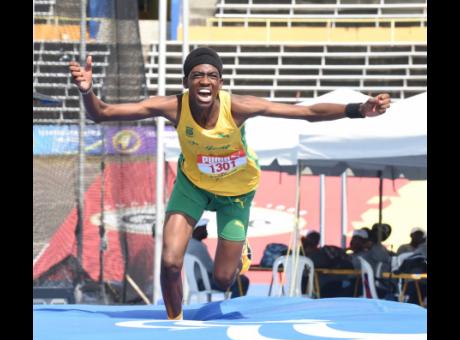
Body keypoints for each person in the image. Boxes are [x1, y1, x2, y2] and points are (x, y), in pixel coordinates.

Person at [69, 47, 390, 320]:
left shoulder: (237, 106)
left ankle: (241, 251)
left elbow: (305, 111)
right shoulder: (174, 106)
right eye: (197, 75)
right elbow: (103, 113)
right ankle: (175, 323)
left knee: (223, 280)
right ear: (186, 82)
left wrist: (358, 109)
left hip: (235, 192)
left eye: (211, 75)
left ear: (220, 83)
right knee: (169, 262)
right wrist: (87, 91)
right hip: (193, 185)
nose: (205, 80)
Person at [186, 218, 249, 298]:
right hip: (205, 283)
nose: (206, 231)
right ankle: (234, 307)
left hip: (196, 283)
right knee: (242, 280)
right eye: (203, 228)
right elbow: (212, 269)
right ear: (196, 230)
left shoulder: (190, 244)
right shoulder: (198, 247)